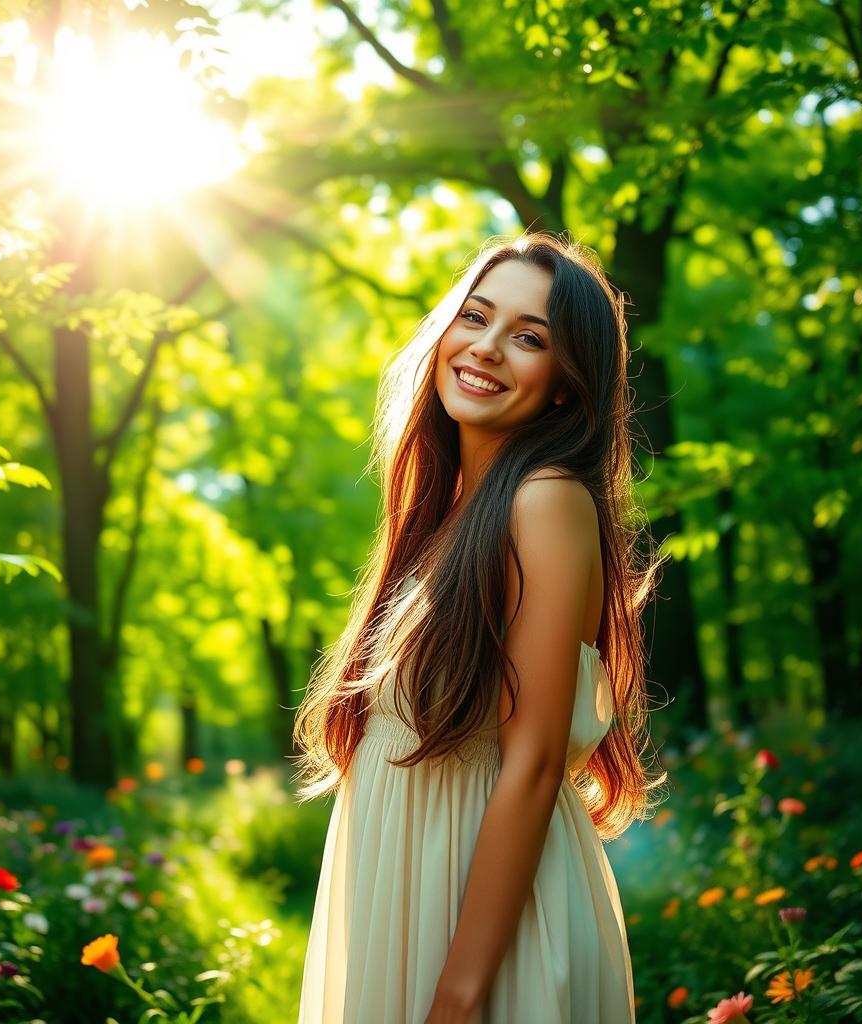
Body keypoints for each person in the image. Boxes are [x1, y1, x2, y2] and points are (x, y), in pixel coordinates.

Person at [291, 230, 669, 1023]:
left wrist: (460, 993)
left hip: (483, 930)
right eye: (476, 317)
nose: (487, 348)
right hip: (411, 899)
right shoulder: (444, 520)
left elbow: (532, 764)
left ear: (567, 385)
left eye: (528, 337)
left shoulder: (547, 501)